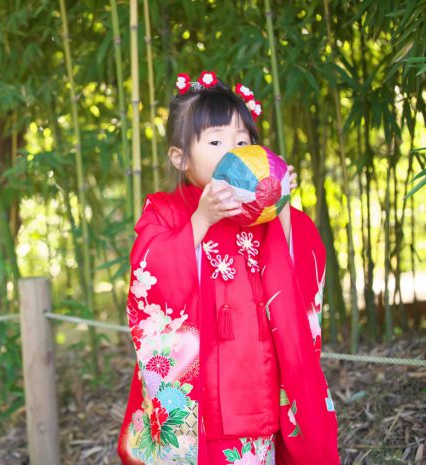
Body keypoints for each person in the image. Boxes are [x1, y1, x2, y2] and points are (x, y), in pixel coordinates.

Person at [117, 71, 340, 465]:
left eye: (242, 141)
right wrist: (200, 221)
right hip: (202, 398)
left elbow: (302, 269)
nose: (233, 151)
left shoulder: (263, 218)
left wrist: (283, 210)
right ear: (180, 157)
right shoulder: (165, 213)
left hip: (260, 382)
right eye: (217, 141)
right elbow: (149, 278)